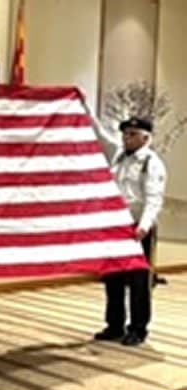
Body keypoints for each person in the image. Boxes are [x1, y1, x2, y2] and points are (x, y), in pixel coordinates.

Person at [90, 115, 167, 346]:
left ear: (146, 137)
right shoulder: (119, 156)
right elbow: (101, 134)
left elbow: (154, 199)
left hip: (137, 228)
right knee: (112, 277)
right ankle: (114, 324)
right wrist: (83, 105)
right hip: (115, 227)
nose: (127, 138)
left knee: (139, 282)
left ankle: (138, 328)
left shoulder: (151, 163)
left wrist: (143, 226)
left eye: (132, 134)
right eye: (125, 133)